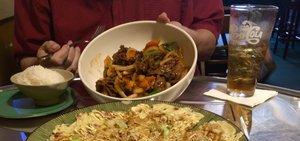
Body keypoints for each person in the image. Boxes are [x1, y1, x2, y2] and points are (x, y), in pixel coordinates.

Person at [14, 0, 224, 72]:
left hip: (176, 103)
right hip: (75, 107)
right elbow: (26, 60)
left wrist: (189, 39)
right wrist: (47, 65)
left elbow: (208, 43)